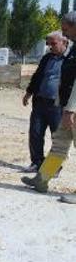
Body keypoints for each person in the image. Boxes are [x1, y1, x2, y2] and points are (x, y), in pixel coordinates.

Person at [22, 12, 76, 202]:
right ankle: (42, 180)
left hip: (72, 109)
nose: (65, 32)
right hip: (64, 105)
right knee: (59, 144)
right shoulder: (72, 51)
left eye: (66, 29)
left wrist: (71, 108)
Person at [21, 31, 69, 172]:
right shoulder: (47, 58)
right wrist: (28, 93)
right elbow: (37, 76)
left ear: (64, 42)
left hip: (58, 105)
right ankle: (37, 162)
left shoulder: (71, 60)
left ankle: (54, 167)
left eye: (53, 43)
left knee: (58, 139)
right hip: (40, 102)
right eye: (48, 44)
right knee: (35, 133)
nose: (50, 47)